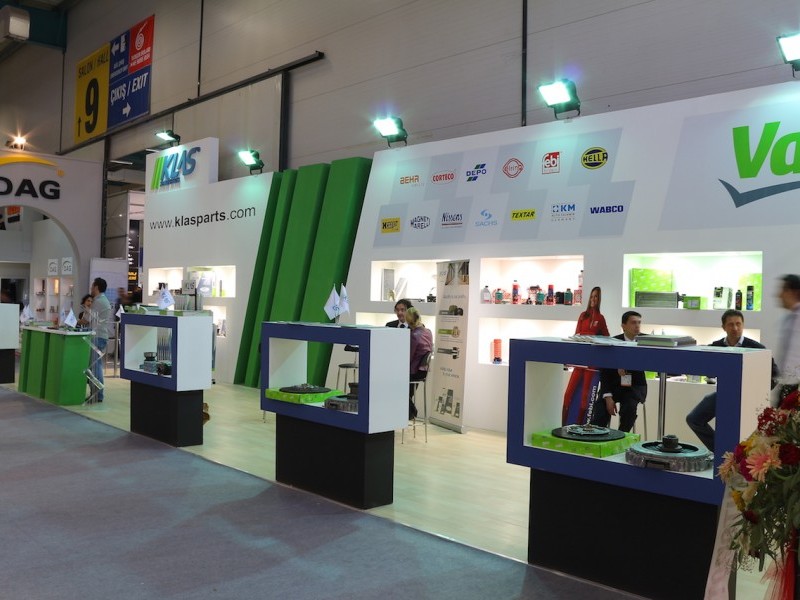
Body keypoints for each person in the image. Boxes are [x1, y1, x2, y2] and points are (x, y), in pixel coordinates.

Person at [686, 309, 777, 452]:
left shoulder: (757, 348)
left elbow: (775, 375)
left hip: (750, 397)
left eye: (738, 324)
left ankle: (735, 457)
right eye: (731, 324)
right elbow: (706, 369)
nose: (735, 328)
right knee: (694, 419)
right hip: (724, 394)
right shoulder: (715, 346)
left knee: (743, 432)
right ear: (723, 327)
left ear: (743, 325)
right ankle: (721, 451)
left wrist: (757, 391)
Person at [589, 311, 647, 432]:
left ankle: (621, 436)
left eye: (639, 323)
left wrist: (626, 367)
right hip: (613, 385)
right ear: (623, 326)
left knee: (629, 409)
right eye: (633, 323)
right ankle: (598, 436)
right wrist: (608, 397)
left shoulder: (646, 341)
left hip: (634, 386)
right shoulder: (613, 342)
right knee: (600, 410)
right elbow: (604, 372)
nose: (637, 326)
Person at [561, 286, 610, 425]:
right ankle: (564, 424)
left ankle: (580, 426)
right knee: (568, 394)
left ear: (599, 299)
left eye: (596, 297)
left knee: (585, 398)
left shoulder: (600, 318)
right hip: (580, 361)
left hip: (592, 364)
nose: (593, 299)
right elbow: (576, 333)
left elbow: (607, 337)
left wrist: (596, 338)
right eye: (592, 296)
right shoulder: (583, 315)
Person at [406, 307, 433, 420]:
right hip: (423, 371)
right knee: (405, 394)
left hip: (414, 371)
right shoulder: (428, 332)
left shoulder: (414, 335)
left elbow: (409, 356)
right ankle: (409, 413)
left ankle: (412, 412)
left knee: (394, 386)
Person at [89, 277, 113, 402]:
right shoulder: (103, 300)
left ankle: (98, 394)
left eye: (92, 286)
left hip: (97, 336)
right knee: (95, 365)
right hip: (100, 336)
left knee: (95, 366)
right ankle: (97, 393)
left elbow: (88, 318)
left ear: (96, 287)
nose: (91, 289)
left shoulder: (98, 302)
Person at [776, 274, 800, 382]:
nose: (779, 295)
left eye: (784, 290)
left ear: (795, 292)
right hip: (786, 383)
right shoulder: (786, 320)